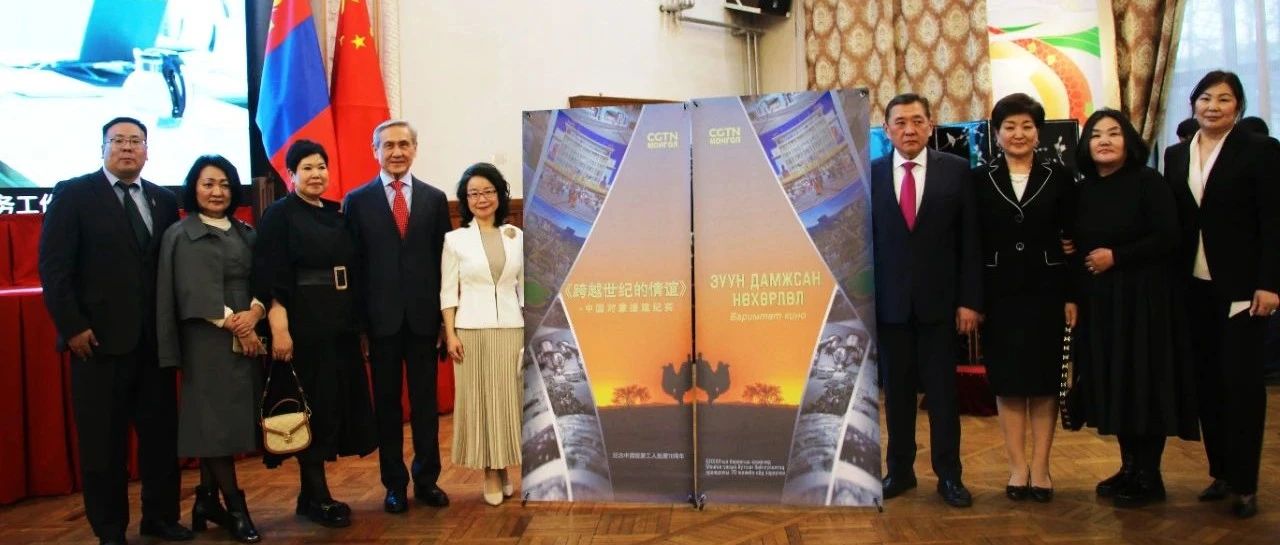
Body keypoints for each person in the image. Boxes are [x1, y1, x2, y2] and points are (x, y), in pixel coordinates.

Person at [38, 117, 191, 545]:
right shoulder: (74, 194)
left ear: (147, 150)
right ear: (102, 148)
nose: (127, 147)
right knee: (103, 446)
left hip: (154, 345)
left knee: (160, 440)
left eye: (135, 141)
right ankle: (109, 529)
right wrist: (72, 326)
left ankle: (160, 518)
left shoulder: (163, 200)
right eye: (118, 140)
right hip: (97, 345)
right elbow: (54, 268)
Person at [1163, 71, 1280, 519]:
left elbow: (1273, 222)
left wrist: (1269, 283)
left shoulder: (1260, 150)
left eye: (1224, 99)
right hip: (1192, 288)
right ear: (1193, 103)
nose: (1213, 106)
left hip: (1243, 289)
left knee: (1242, 385)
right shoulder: (1176, 154)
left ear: (1238, 106)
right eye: (1206, 98)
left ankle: (1246, 483)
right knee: (1207, 382)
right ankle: (1222, 473)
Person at [1073, 108, 1199, 508]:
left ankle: (1150, 474)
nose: (1104, 141)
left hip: (1146, 301)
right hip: (1102, 302)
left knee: (1144, 382)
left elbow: (1169, 237)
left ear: (1128, 141)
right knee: (1117, 384)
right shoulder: (1084, 189)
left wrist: (1117, 257)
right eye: (1096, 135)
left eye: (1113, 133)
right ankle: (1128, 467)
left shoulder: (1149, 182)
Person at [253, 139, 377, 527]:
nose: (316, 174)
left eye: (321, 167)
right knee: (313, 408)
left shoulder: (338, 213)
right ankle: (317, 495)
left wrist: (360, 326)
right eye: (306, 168)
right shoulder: (279, 215)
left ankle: (309, 497)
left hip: (340, 326)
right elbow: (272, 274)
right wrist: (279, 326)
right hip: (304, 327)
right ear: (291, 174)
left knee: (336, 406)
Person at [871, 93, 982, 508]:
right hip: (889, 308)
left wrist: (970, 301)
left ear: (931, 126)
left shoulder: (956, 171)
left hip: (941, 306)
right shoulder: (870, 175)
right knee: (897, 397)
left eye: (917, 121)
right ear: (887, 130)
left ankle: (949, 476)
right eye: (900, 122)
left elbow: (970, 242)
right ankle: (900, 471)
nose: (909, 130)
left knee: (942, 397)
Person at [343, 120, 453, 513]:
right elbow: (354, 267)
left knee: (425, 406)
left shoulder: (434, 199)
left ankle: (427, 480)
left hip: (424, 322)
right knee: (387, 408)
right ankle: (394, 484)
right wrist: (360, 326)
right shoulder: (357, 201)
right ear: (374, 151)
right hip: (380, 324)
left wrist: (444, 321)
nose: (396, 152)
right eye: (388, 145)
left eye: (404, 144)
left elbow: (445, 265)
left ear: (415, 149)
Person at [972, 93, 1075, 503]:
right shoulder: (979, 179)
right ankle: (1017, 468)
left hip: (1048, 294)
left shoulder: (1060, 177)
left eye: (1027, 126)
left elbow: (1073, 239)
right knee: (1009, 384)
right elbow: (972, 242)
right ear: (997, 133)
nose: (1019, 134)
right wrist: (975, 298)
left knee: (1045, 384)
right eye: (1010, 126)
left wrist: (1072, 295)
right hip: (999, 296)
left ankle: (1043, 468)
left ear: (1038, 132)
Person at [156, 155, 263, 543]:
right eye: (208, 184)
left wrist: (256, 312)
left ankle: (205, 500)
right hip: (208, 342)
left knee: (227, 423)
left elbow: (261, 278)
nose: (217, 192)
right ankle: (235, 507)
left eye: (224, 184)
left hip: (248, 335)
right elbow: (191, 290)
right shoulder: (182, 234)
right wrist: (238, 324)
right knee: (213, 424)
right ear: (193, 188)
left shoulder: (244, 231)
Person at [441, 162, 524, 506]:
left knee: (505, 402)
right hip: (471, 331)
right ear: (465, 200)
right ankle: (489, 472)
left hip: (511, 329)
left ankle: (503, 467)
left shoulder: (516, 236)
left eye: (488, 191)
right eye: (473, 193)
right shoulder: (455, 240)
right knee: (480, 403)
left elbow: (523, 287)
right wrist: (450, 334)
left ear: (499, 195)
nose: (481, 198)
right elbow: (448, 292)